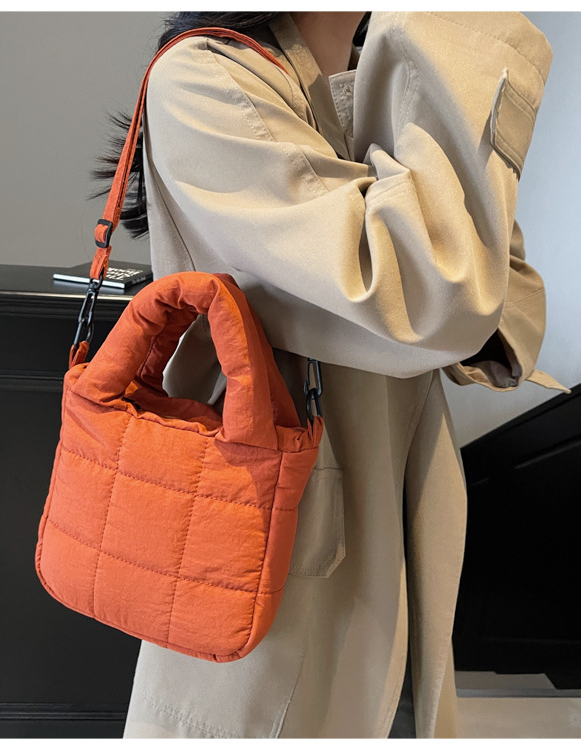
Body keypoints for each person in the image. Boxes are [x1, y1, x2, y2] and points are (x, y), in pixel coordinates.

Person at [91, 11, 570, 739]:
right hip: (277, 524)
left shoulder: (391, 71)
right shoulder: (203, 76)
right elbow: (434, 296)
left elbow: (508, 299)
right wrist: (452, 34)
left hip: (402, 509)